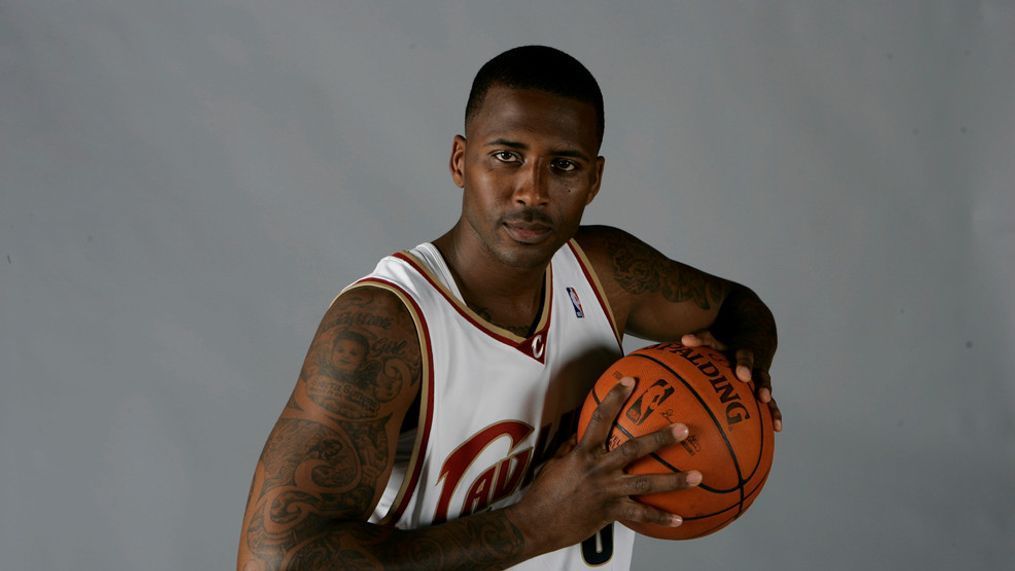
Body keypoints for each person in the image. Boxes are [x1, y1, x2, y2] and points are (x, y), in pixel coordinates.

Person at [237, 45, 782, 570]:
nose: (532, 191)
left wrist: (746, 362)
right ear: (459, 161)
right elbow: (276, 563)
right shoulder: (389, 326)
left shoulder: (605, 270)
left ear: (593, 180)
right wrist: (528, 527)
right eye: (506, 156)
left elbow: (738, 308)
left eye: (564, 166)